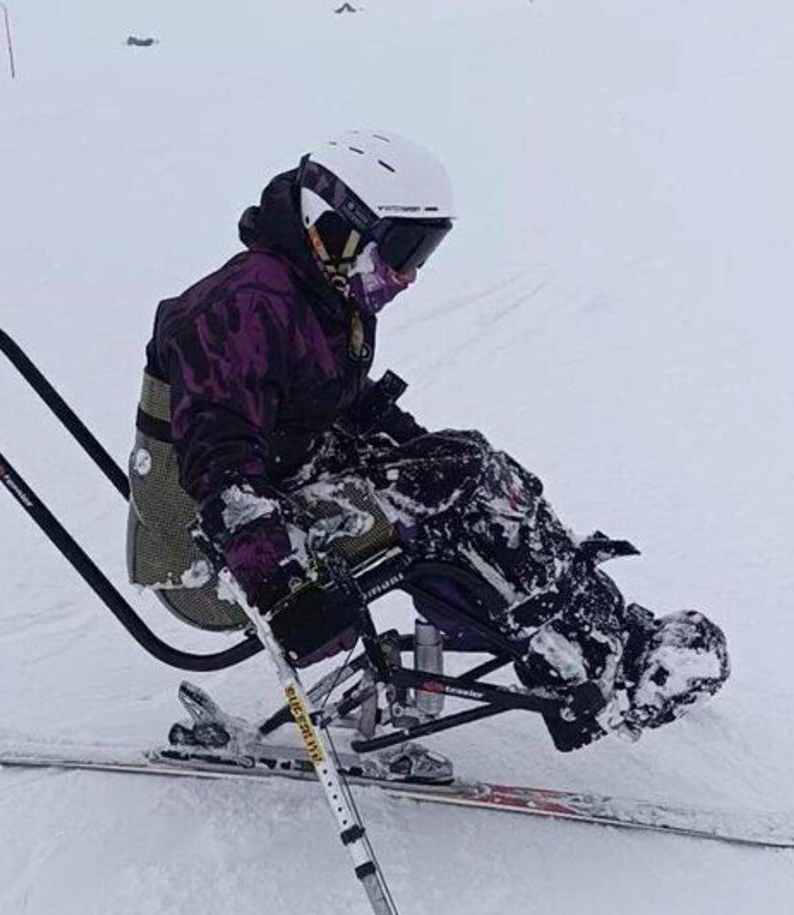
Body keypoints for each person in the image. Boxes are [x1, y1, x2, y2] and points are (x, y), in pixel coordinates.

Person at [132, 128, 728, 751]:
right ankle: (585, 660)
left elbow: (326, 394)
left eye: (425, 251)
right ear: (335, 226)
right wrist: (280, 584)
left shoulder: (315, 288)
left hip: (286, 480)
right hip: (211, 552)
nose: (411, 274)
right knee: (456, 493)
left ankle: (605, 638)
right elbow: (218, 463)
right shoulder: (242, 307)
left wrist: (420, 448)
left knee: (468, 464)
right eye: (404, 249)